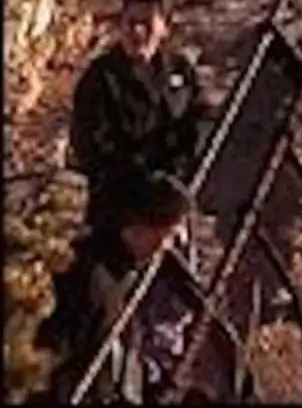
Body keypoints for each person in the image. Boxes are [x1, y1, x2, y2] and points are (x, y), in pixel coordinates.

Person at [38, 170, 196, 405]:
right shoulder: (89, 275)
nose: (169, 246)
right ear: (143, 227)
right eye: (168, 235)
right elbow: (63, 356)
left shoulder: (127, 273)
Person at [68, 0, 208, 239]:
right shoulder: (100, 78)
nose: (137, 32)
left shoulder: (179, 71)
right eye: (130, 23)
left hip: (173, 202)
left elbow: (199, 120)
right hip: (121, 212)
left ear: (164, 28)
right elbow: (91, 147)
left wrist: (178, 173)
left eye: (146, 23)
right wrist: (143, 180)